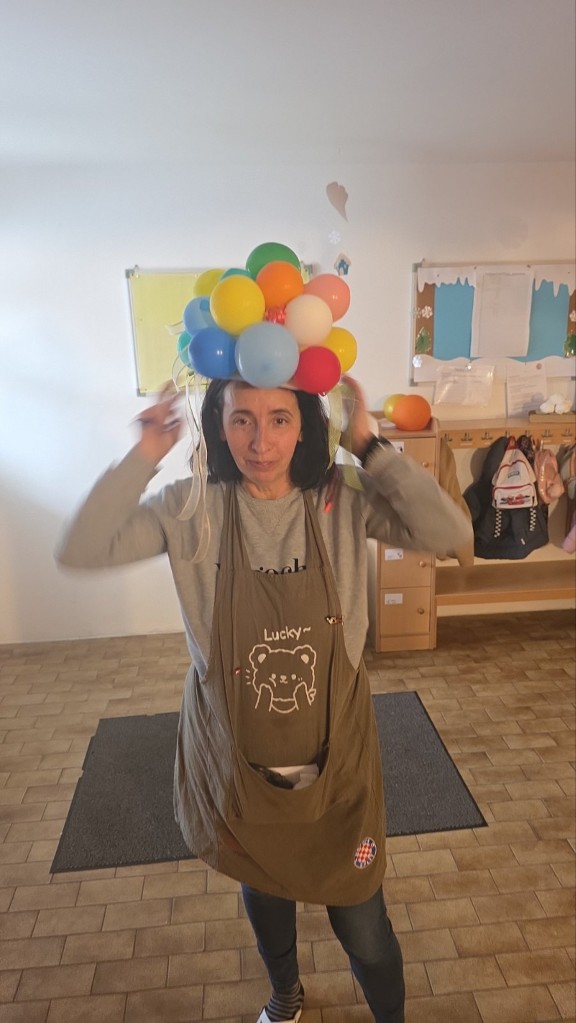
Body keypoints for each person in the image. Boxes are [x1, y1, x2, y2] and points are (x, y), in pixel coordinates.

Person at [56, 375, 472, 1023]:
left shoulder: (342, 497)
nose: (260, 441)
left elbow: (451, 532)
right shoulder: (191, 508)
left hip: (339, 774)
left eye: (279, 418)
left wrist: (369, 446)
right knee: (267, 894)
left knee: (364, 925)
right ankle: (285, 998)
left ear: (305, 425)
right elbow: (81, 547)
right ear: (218, 427)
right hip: (237, 765)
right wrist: (145, 454)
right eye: (241, 419)